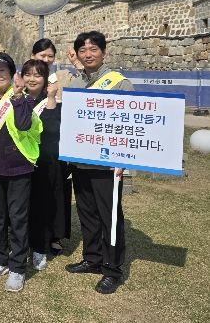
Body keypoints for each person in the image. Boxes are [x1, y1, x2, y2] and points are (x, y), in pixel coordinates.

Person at [65, 31, 133, 295]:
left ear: (104, 52)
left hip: (107, 166)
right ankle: (92, 258)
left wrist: (123, 160)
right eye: (82, 50)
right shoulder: (77, 82)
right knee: (88, 214)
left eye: (93, 49)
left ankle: (112, 269)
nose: (88, 54)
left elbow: (130, 125)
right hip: (80, 162)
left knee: (110, 217)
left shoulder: (119, 84)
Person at [0, 52, 42, 292]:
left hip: (18, 167)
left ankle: (17, 267)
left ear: (11, 73)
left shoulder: (23, 97)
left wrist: (16, 97)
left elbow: (24, 125)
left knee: (17, 218)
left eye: (2, 70)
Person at [30, 39, 74, 255]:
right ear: (33, 56)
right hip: (32, 148)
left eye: (50, 56)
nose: (46, 60)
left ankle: (56, 235)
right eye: (42, 55)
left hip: (56, 145)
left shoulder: (62, 79)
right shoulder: (27, 78)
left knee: (57, 192)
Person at [21, 59, 65, 271]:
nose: (32, 79)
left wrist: (51, 98)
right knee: (20, 208)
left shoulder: (52, 101)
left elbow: (52, 129)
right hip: (20, 163)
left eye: (37, 75)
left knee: (40, 207)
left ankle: (39, 248)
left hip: (44, 163)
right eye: (28, 74)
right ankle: (20, 247)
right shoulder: (16, 99)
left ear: (45, 79)